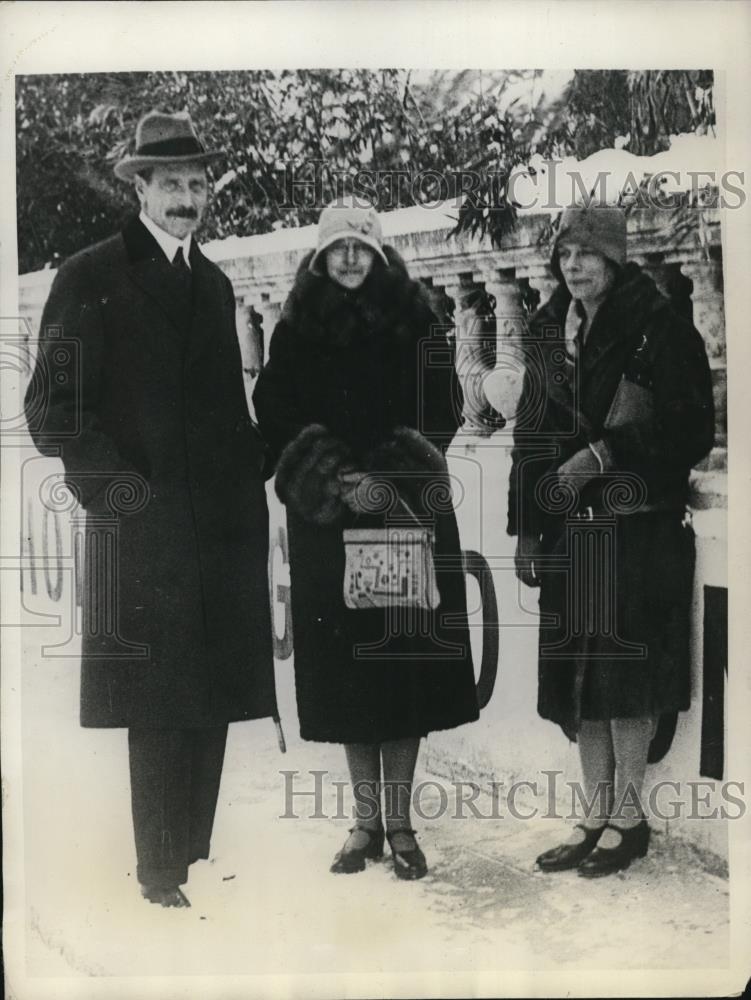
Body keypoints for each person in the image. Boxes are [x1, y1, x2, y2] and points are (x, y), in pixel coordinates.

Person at [24, 111, 279, 908]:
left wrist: (256, 474)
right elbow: (53, 409)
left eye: (199, 185)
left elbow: (226, 412)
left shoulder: (214, 284)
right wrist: (122, 496)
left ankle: (190, 854)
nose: (188, 198)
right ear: (138, 186)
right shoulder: (87, 275)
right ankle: (157, 868)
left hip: (216, 526)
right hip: (139, 527)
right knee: (160, 704)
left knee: (207, 694)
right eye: (172, 184)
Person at [253, 199, 479, 880]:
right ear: (320, 257)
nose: (349, 259)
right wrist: (332, 475)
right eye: (337, 248)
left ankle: (402, 824)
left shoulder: (416, 321)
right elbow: (274, 414)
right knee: (346, 672)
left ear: (379, 254)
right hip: (328, 521)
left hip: (399, 514)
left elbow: (443, 408)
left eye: (361, 247)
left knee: (400, 668)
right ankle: (363, 824)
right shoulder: (294, 329)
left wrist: (384, 475)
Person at [507, 205, 714, 877]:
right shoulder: (545, 330)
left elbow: (689, 431)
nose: (573, 266)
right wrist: (527, 529)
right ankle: (593, 816)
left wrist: (601, 456)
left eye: (587, 255)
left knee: (627, 682)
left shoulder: (658, 327)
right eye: (565, 254)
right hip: (569, 533)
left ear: (614, 260)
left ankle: (627, 821)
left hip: (637, 529)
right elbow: (530, 441)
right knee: (579, 683)